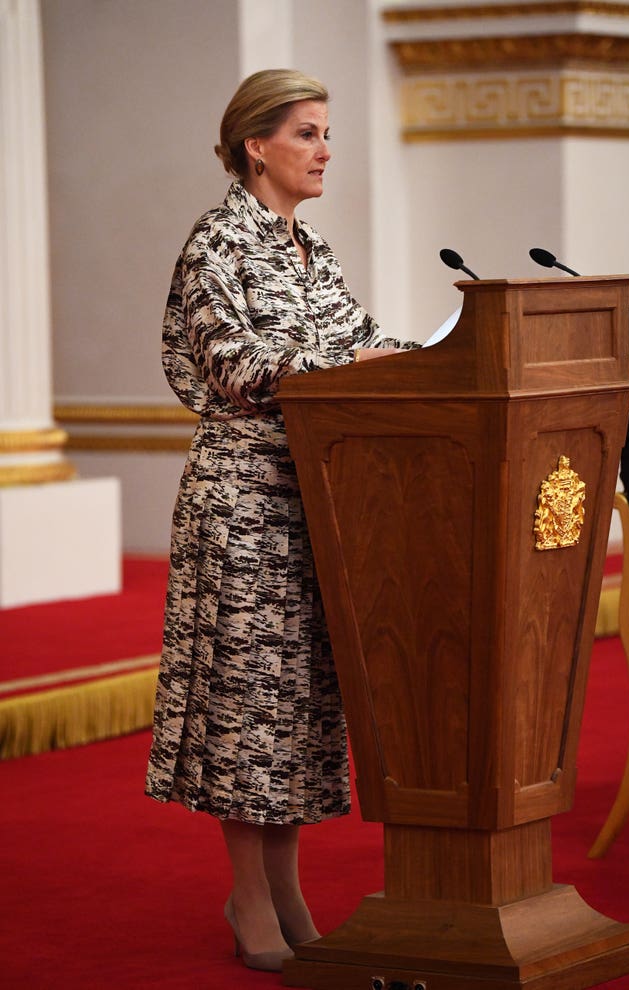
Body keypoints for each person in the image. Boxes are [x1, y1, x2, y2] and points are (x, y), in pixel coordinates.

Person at [145, 68, 420, 973]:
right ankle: (250, 896)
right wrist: (350, 363)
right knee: (246, 705)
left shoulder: (315, 250)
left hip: (319, 499)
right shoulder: (215, 242)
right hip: (243, 502)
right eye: (308, 133)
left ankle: (289, 884)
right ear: (254, 144)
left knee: (301, 704)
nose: (326, 150)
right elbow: (237, 367)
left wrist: (431, 355)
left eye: (328, 133)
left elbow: (358, 337)